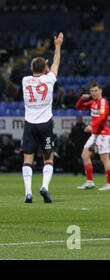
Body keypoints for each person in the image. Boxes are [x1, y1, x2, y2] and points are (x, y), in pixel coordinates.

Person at [20, 32, 63, 203]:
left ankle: (28, 192)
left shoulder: (25, 81)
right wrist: (57, 46)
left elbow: (39, 71)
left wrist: (42, 67)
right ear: (45, 68)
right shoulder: (49, 79)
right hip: (45, 125)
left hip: (29, 125)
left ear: (31, 70)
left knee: (28, 158)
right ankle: (44, 187)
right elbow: (56, 64)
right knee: (48, 157)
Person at [75, 80, 110, 191]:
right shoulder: (93, 103)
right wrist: (81, 99)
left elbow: (102, 118)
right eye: (92, 91)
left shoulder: (102, 102)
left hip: (102, 134)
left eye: (96, 90)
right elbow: (79, 107)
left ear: (100, 90)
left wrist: (92, 126)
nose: (94, 93)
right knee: (85, 155)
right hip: (95, 134)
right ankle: (89, 182)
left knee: (105, 159)